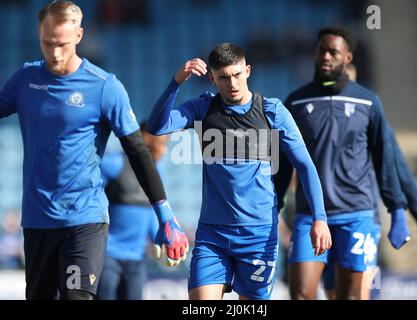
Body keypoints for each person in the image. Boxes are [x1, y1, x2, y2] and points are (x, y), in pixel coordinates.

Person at [0, 0, 188, 300]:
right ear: (39, 32)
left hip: (84, 220)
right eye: (48, 43)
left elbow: (138, 152)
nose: (55, 53)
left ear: (79, 35)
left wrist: (164, 214)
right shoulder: (26, 80)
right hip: (37, 220)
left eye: (62, 43)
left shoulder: (104, 87)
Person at [147, 43, 332, 300]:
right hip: (213, 236)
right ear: (212, 79)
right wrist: (177, 81)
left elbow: (305, 165)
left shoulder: (272, 112)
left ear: (247, 71)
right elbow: (157, 126)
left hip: (258, 235)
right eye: (223, 78)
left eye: (236, 75)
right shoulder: (203, 109)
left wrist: (319, 218)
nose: (232, 83)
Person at [276, 25, 412, 300]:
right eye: (321, 50)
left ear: (347, 58)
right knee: (301, 294)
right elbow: (282, 161)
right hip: (311, 216)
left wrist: (397, 209)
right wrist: (274, 206)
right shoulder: (295, 102)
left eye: (333, 51)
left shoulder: (368, 102)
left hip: (357, 215)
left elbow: (385, 160)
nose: (325, 56)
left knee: (351, 297)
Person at [320, 63, 417, 300]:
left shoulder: (370, 122)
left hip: (363, 218)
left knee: (358, 290)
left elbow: (399, 168)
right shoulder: (319, 125)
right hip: (325, 221)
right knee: (333, 292)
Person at [96, 123, 170, 300]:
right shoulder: (116, 163)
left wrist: (160, 239)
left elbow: (152, 212)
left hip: (136, 260)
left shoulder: (158, 171)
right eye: (162, 143)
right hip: (108, 256)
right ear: (146, 137)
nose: (165, 150)